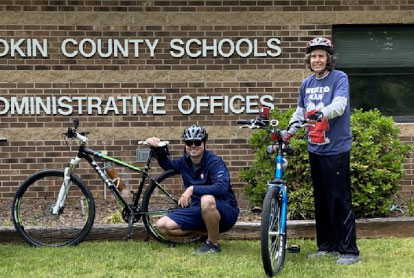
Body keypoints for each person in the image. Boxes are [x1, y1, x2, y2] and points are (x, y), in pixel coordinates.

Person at [285, 37, 360, 264]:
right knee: (322, 199)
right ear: (309, 60)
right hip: (315, 148)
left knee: (340, 199)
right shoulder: (307, 84)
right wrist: (288, 131)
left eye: (321, 56)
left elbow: (339, 105)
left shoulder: (339, 78)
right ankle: (326, 246)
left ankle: (349, 251)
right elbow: (300, 113)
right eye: (313, 56)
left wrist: (321, 113)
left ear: (329, 59)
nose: (317, 60)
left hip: (336, 148)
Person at [145, 125, 239, 254]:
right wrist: (157, 147)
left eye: (197, 142)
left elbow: (222, 188)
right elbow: (168, 165)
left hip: (225, 210)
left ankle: (213, 244)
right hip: (199, 210)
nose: (193, 145)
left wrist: (193, 189)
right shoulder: (184, 162)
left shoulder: (215, 162)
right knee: (163, 226)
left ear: (204, 143)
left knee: (206, 199)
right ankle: (209, 233)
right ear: (185, 144)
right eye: (189, 142)